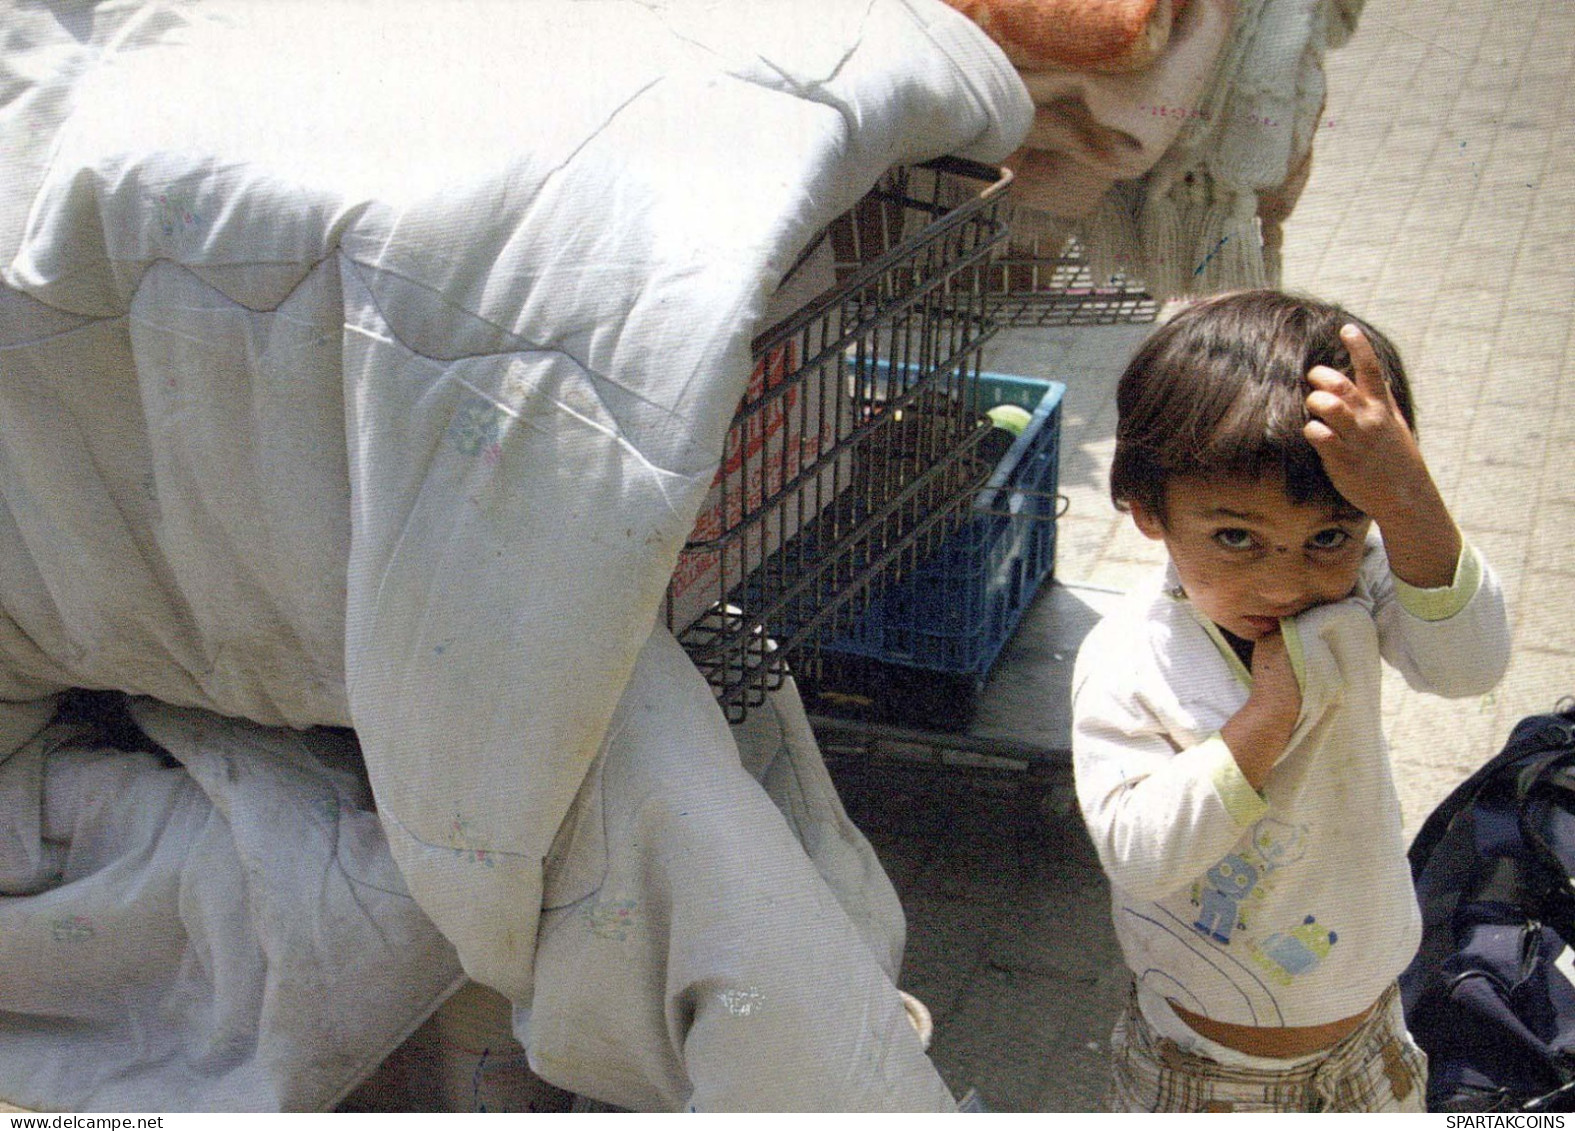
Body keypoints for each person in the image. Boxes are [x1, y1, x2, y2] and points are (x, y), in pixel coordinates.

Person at [1070, 289, 1511, 1112]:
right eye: (1236, 537)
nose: (1283, 581)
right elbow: (1135, 848)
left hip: (1370, 1035)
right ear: (1145, 511)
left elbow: (1470, 667)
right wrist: (1262, 721)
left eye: (1327, 536)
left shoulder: (1362, 587)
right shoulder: (1131, 655)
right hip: (1207, 1072)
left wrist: (1406, 493)